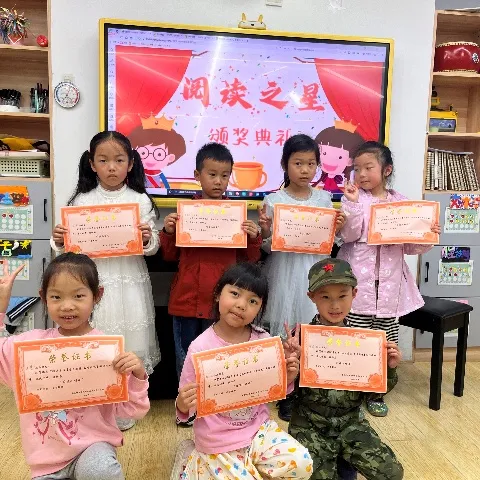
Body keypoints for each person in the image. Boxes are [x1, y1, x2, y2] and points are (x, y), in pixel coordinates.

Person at [0, 253, 149, 480]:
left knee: (99, 471)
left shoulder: (107, 351)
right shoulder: (30, 346)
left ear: (97, 295)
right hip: (46, 461)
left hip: (92, 447)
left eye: (78, 296)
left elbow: (133, 411)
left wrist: (137, 376)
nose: (67, 306)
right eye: (56, 297)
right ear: (44, 297)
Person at [173, 262, 313, 480]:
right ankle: (195, 462)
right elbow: (186, 402)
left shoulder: (263, 340)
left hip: (258, 430)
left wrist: (289, 375)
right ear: (218, 294)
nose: (241, 305)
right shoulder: (200, 347)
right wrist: (182, 405)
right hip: (217, 438)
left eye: (252, 301)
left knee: (302, 463)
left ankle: (242, 464)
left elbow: (273, 389)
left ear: (260, 308)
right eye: (235, 294)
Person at [338, 141, 440, 417]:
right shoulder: (353, 199)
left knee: (384, 341)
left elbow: (411, 247)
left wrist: (427, 233)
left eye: (368, 168)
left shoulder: (401, 203)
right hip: (359, 284)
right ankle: (350, 392)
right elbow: (348, 235)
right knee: (356, 339)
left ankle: (376, 392)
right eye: (357, 168)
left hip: (389, 287)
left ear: (386, 170)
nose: (361, 174)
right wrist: (353, 205)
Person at [288, 258, 404, 480]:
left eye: (342, 296)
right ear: (311, 297)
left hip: (350, 422)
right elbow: (285, 393)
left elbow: (374, 395)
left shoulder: (366, 342)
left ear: (354, 294)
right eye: (325, 297)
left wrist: (389, 369)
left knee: (391, 473)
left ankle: (344, 458)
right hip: (310, 423)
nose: (335, 306)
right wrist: (289, 366)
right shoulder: (300, 339)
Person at [258, 134, 346, 421]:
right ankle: (286, 392)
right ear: (285, 164)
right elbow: (267, 248)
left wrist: (338, 228)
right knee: (287, 333)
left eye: (311, 163)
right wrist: (266, 231)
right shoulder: (273, 200)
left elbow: (330, 243)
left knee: (312, 330)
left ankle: (310, 390)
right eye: (298, 163)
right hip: (284, 271)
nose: (305, 170)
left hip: (314, 270)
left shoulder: (324, 198)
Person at [161, 142, 262, 386]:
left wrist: (253, 237)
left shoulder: (236, 214)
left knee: (218, 359)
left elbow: (249, 261)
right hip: (186, 301)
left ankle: (218, 399)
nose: (219, 181)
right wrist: (169, 232)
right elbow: (170, 256)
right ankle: (186, 402)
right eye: (212, 174)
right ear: (197, 175)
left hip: (222, 305)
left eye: (225, 176)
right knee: (186, 358)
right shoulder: (185, 213)